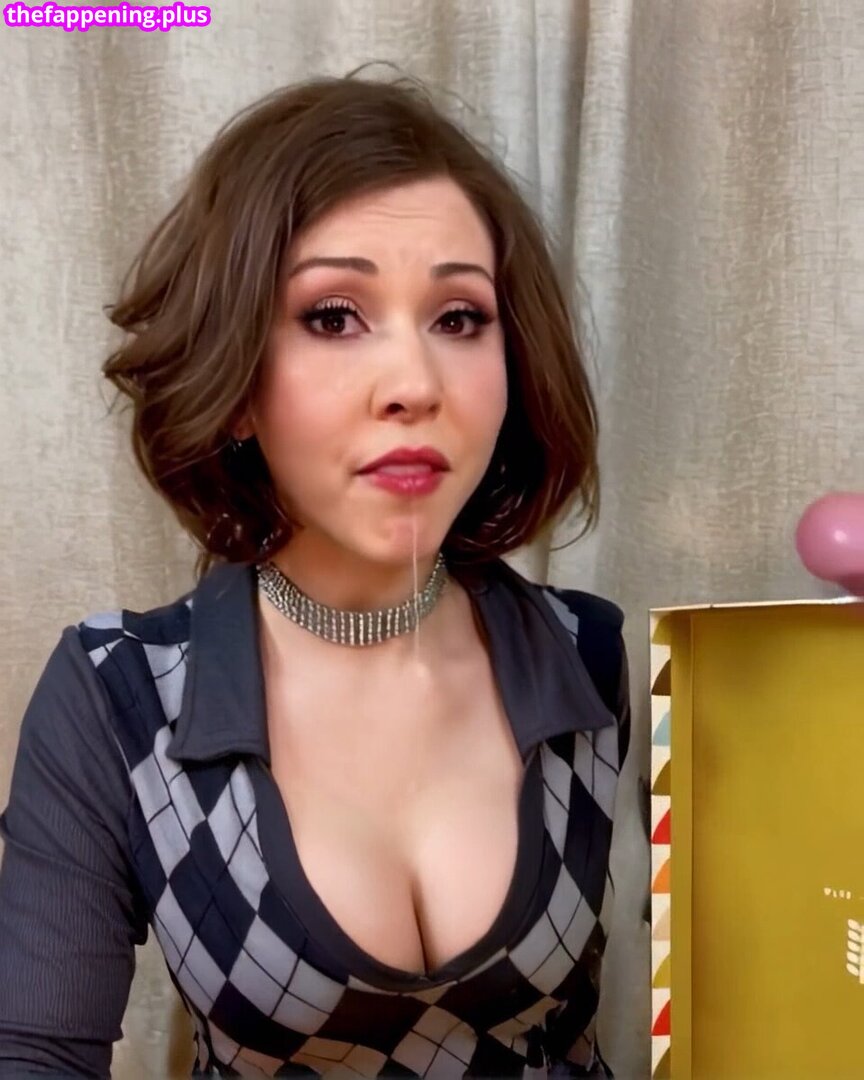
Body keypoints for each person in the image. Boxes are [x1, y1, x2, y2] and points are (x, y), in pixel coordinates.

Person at [0, 74, 630, 1078]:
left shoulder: (590, 657)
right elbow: (33, 1053)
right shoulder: (117, 698)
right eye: (334, 316)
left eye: (459, 317)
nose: (414, 385)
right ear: (234, 384)